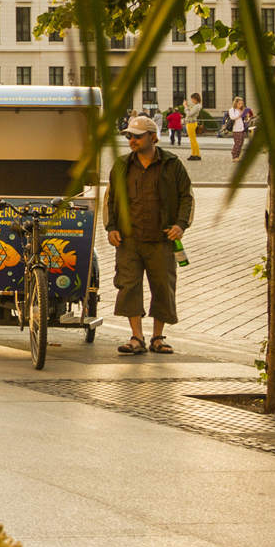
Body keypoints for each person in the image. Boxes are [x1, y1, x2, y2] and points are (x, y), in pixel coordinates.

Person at [106, 114, 193, 356]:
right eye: (128, 136)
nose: (131, 140)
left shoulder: (172, 164)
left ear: (152, 137)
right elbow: (111, 199)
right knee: (128, 286)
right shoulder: (122, 165)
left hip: (162, 239)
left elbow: (186, 197)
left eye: (136, 136)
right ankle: (136, 337)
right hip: (129, 239)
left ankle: (157, 337)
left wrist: (180, 225)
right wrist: (111, 228)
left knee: (163, 287)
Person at [183, 92, 203, 160]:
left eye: (192, 98)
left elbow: (189, 114)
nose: (191, 99)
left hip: (191, 123)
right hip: (189, 123)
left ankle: (197, 155)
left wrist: (186, 107)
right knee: (191, 140)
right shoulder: (194, 105)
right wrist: (187, 106)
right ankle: (193, 154)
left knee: (193, 140)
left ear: (195, 98)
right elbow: (188, 112)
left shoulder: (197, 106)